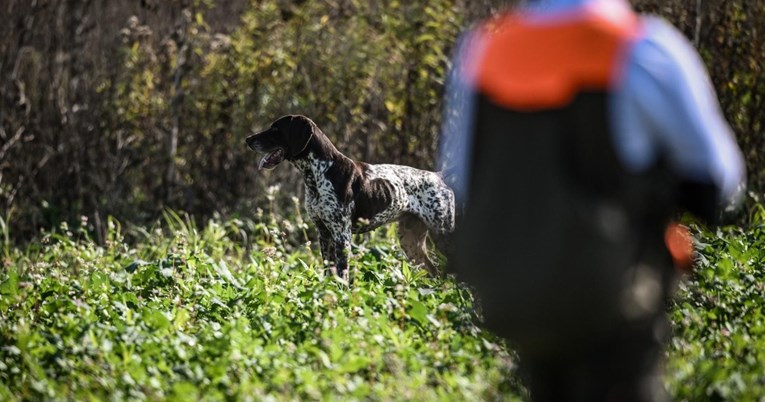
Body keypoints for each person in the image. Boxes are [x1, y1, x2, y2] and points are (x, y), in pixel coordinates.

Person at [438, 0, 746, 401]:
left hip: (516, 302)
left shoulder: (481, 50)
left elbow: (462, 182)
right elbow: (720, 183)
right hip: (613, 304)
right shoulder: (640, 47)